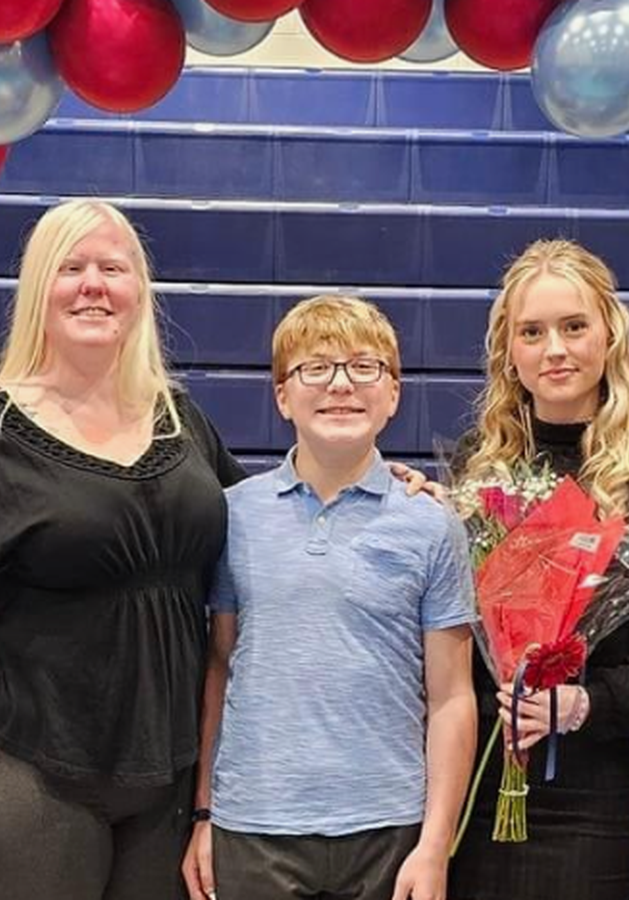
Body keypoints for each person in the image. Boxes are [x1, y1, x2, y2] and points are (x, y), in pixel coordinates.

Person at [0, 198, 249, 900]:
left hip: (167, 773)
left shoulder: (181, 420)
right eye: (70, 268)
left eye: (112, 268)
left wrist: (382, 482)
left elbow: (267, 524)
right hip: (32, 766)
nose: (93, 284)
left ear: (139, 290)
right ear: (39, 289)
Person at [181, 295, 478, 900]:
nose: (340, 385)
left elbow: (452, 697)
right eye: (315, 368)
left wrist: (434, 844)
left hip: (389, 828)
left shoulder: (431, 524)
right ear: (282, 396)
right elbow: (220, 666)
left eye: (364, 367)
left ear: (393, 394)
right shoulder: (234, 515)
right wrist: (205, 813)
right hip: (253, 825)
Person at [446, 239, 629, 900]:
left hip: (588, 794)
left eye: (574, 326)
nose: (554, 349)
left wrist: (584, 703)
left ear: (609, 336)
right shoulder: (477, 470)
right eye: (532, 332)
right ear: (509, 351)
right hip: (475, 783)